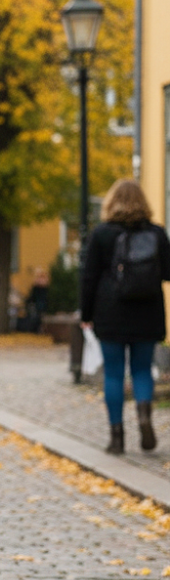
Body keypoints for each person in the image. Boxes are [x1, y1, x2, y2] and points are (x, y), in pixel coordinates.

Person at [80, 179, 170, 454]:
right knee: (143, 369)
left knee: (114, 374)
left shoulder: (102, 234)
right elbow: (167, 272)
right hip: (147, 309)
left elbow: (89, 276)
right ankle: (144, 415)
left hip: (111, 310)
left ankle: (117, 437)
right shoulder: (156, 233)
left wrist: (86, 313)